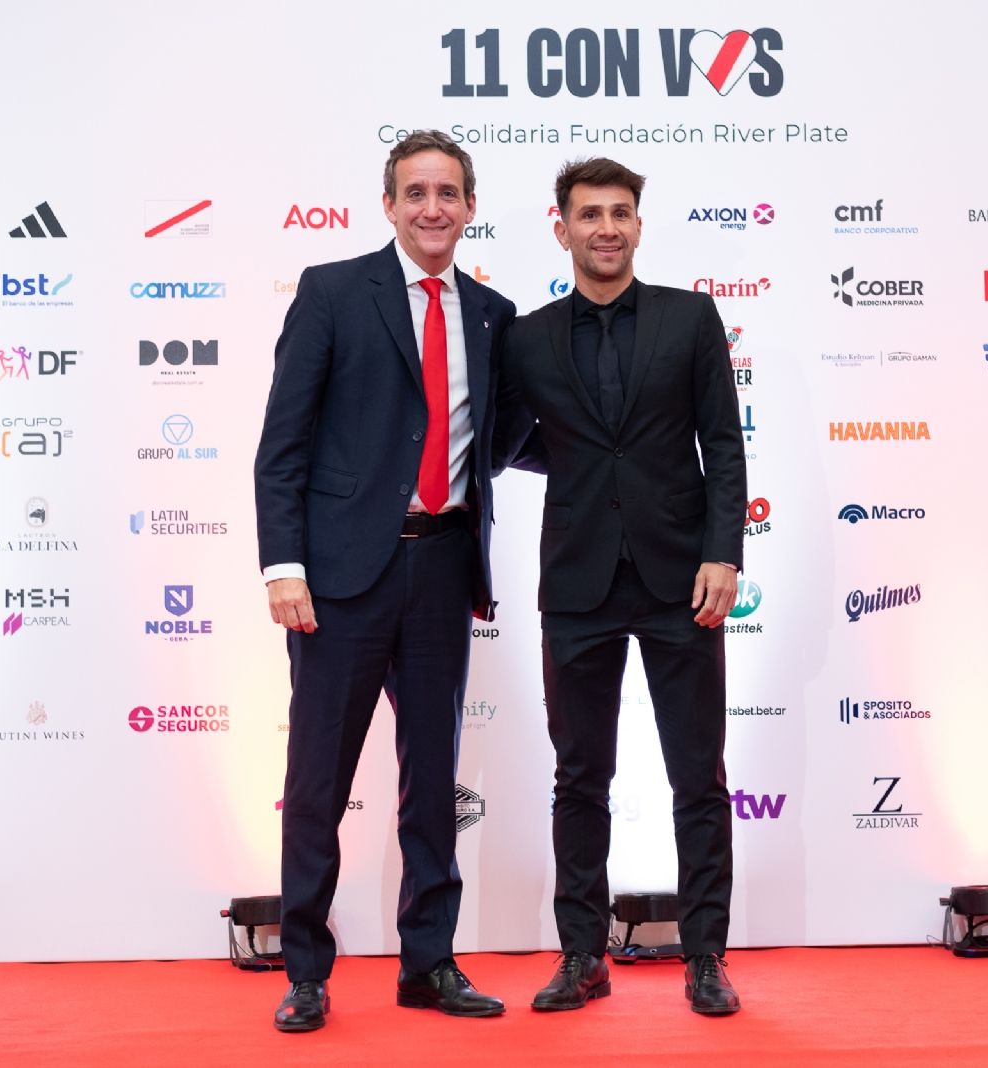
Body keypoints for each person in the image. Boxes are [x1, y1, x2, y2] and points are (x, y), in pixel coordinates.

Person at [254, 129, 515, 1032]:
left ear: (470, 206)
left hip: (444, 566)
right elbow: (282, 445)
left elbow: (503, 437)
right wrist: (284, 565)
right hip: (340, 578)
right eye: (416, 193)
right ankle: (305, 971)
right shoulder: (332, 292)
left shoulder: (493, 313)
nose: (432, 208)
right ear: (390, 205)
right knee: (317, 781)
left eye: (448, 193)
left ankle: (428, 962)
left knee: (433, 781)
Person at [495, 157, 748, 1015]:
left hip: (682, 578)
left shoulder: (690, 317)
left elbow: (724, 443)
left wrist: (724, 553)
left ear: (638, 225)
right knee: (579, 779)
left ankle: (706, 958)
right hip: (577, 580)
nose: (606, 227)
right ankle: (582, 956)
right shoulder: (526, 337)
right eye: (589, 214)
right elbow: (502, 443)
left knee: (698, 777)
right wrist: (577, 467)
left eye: (620, 213)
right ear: (561, 228)